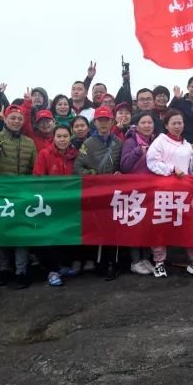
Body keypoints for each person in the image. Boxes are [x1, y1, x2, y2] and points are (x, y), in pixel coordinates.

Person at [146, 110, 193, 279]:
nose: (177, 126)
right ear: (166, 125)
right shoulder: (160, 142)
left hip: (184, 193)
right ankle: (159, 262)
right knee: (161, 226)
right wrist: (172, 169)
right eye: (173, 123)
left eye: (180, 123)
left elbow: (191, 171)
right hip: (164, 192)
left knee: (188, 226)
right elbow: (152, 162)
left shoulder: (187, 145)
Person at [0, 105, 37, 289]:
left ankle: (21, 271)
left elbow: (34, 168)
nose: (16, 121)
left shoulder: (29, 142)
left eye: (19, 119)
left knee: (21, 232)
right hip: (0, 193)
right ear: (5, 119)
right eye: (12, 118)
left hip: (22, 194)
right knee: (1, 232)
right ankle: (4, 270)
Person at [74, 106, 124, 281]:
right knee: (99, 227)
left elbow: (122, 164)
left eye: (107, 120)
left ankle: (113, 264)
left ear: (112, 122)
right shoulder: (88, 144)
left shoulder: (118, 142)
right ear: (94, 123)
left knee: (115, 227)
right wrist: (94, 177)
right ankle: (100, 263)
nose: (103, 124)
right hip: (96, 192)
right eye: (100, 120)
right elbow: (78, 167)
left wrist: (120, 173)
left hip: (115, 192)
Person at [33, 125, 80, 286]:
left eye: (65, 136)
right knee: (50, 237)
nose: (62, 140)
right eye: (59, 136)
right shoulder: (45, 153)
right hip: (50, 203)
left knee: (66, 235)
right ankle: (52, 271)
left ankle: (62, 267)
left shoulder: (76, 154)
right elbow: (38, 177)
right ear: (54, 137)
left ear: (70, 136)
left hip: (70, 203)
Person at [118, 114, 158, 276]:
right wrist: (137, 152)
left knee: (149, 226)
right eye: (143, 122)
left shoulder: (155, 142)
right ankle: (135, 261)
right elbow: (125, 167)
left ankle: (145, 258)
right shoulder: (130, 141)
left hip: (151, 189)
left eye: (150, 122)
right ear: (137, 125)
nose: (147, 125)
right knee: (135, 225)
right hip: (134, 191)